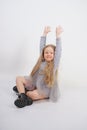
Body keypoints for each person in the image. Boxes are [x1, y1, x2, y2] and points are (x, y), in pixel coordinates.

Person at [13, 26, 63, 108]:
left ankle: (24, 92)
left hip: (46, 89)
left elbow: (59, 51)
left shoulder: (54, 64)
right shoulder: (42, 60)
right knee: (18, 78)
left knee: (32, 95)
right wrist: (44, 34)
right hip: (36, 83)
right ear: (43, 54)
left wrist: (57, 36)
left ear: (54, 55)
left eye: (51, 53)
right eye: (46, 52)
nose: (48, 54)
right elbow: (41, 46)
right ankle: (22, 96)